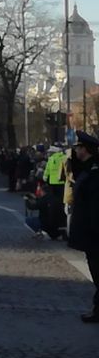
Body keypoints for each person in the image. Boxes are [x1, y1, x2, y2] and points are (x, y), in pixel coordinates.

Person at [68, 131, 99, 323]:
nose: (76, 149)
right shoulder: (88, 169)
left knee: (98, 271)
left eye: (78, 147)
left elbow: (96, 205)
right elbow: (78, 172)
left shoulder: (95, 174)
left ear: (85, 150)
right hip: (89, 231)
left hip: (94, 232)